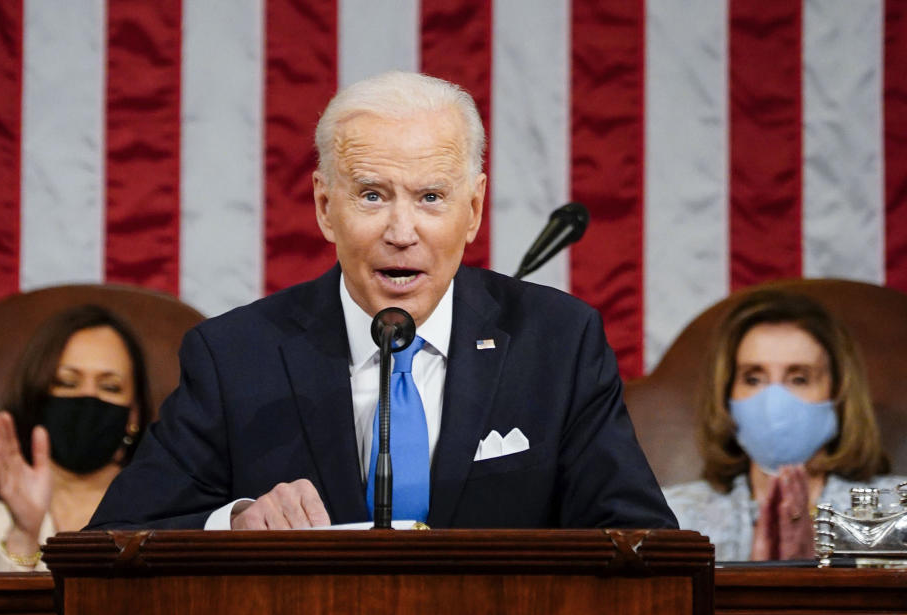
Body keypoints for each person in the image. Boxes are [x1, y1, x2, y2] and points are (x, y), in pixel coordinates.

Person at [89, 71, 676, 531]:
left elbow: (639, 540)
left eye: (430, 197)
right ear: (325, 207)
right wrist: (232, 522)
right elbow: (116, 539)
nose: (402, 230)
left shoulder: (555, 343)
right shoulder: (236, 356)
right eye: (372, 195)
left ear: (472, 210)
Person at [662, 289, 907, 562]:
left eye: (799, 378)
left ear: (838, 394)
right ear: (726, 394)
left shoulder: (897, 517)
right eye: (753, 379)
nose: (774, 402)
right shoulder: (674, 520)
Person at [0, 305, 150, 571]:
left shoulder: (164, 524)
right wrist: (23, 535)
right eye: (67, 383)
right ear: (37, 401)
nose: (88, 398)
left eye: (109, 387)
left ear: (133, 416)